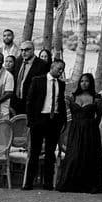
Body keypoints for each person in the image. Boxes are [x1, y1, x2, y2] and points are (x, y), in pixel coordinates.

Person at [22, 55, 65, 190]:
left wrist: (62, 121)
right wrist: (31, 121)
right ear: (52, 67)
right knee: (35, 152)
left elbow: (61, 102)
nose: (60, 72)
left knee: (50, 152)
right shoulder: (38, 80)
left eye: (62, 70)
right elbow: (29, 101)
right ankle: (29, 183)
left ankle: (47, 183)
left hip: (54, 121)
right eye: (59, 69)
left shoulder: (61, 84)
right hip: (39, 119)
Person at [56, 73, 102, 193]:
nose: (84, 83)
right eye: (82, 81)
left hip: (90, 131)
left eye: (86, 81)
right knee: (74, 155)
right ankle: (71, 184)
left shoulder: (96, 99)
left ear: (91, 83)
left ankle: (88, 185)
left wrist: (90, 126)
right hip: (75, 130)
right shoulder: (72, 97)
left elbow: (98, 117)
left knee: (88, 156)